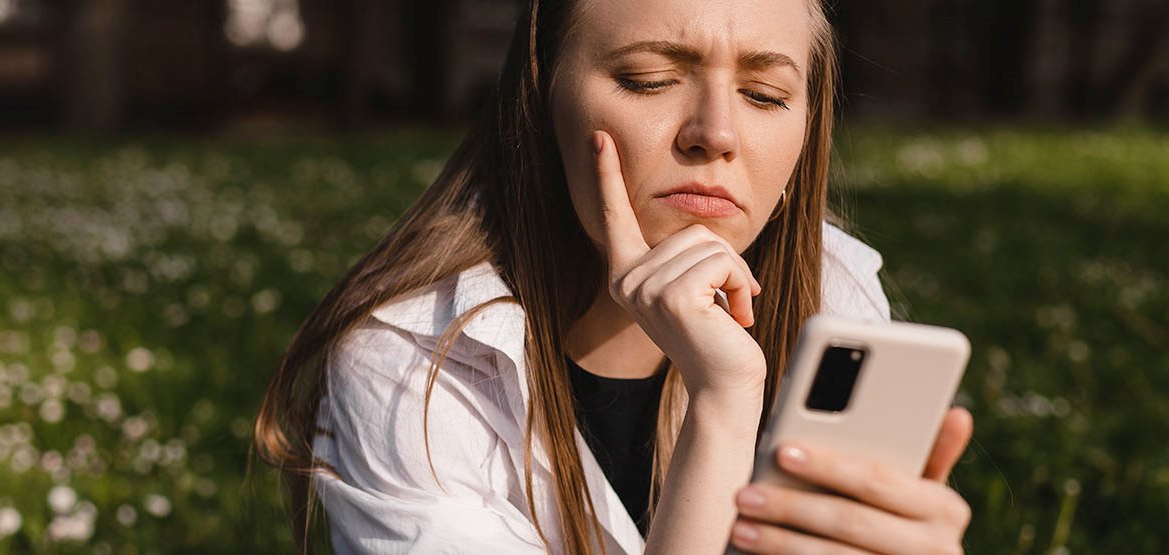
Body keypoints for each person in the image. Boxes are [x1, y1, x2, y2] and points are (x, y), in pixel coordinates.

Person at [256, 0, 975, 553]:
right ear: (542, 100)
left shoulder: (837, 296)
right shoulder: (412, 368)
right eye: (649, 79)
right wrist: (724, 404)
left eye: (765, 95)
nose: (716, 134)